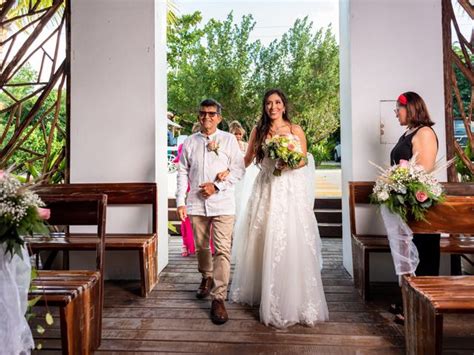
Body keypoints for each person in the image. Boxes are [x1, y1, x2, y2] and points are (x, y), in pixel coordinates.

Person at [228, 89, 329, 328]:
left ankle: (292, 296)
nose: (272, 107)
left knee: (290, 239)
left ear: (284, 106)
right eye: (268, 103)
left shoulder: (296, 130)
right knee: (263, 239)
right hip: (266, 189)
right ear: (265, 107)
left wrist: (289, 161)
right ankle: (264, 291)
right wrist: (224, 169)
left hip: (289, 191)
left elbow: (303, 159)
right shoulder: (258, 131)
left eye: (277, 102)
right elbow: (246, 159)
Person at [176, 98, 245, 325]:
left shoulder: (228, 140)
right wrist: (180, 201)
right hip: (196, 203)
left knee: (223, 250)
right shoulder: (190, 142)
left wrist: (216, 186)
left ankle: (219, 297)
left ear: (219, 117)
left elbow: (238, 170)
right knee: (202, 246)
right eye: (203, 113)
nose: (207, 117)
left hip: (223, 203)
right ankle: (206, 276)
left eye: (212, 114)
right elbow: (182, 171)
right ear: (198, 116)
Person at [389, 91, 439, 323]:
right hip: (407, 204)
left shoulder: (425, 132)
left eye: (398, 108)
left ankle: (421, 308)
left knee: (422, 254)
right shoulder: (408, 133)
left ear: (410, 109)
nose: (395, 112)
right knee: (409, 255)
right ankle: (408, 301)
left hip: (421, 207)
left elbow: (424, 169)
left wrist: (398, 180)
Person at [173, 121, 215, 257]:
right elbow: (182, 167)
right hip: (192, 185)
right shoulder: (186, 145)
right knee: (189, 218)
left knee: (202, 218)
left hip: (206, 184)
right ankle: (190, 245)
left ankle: (191, 246)